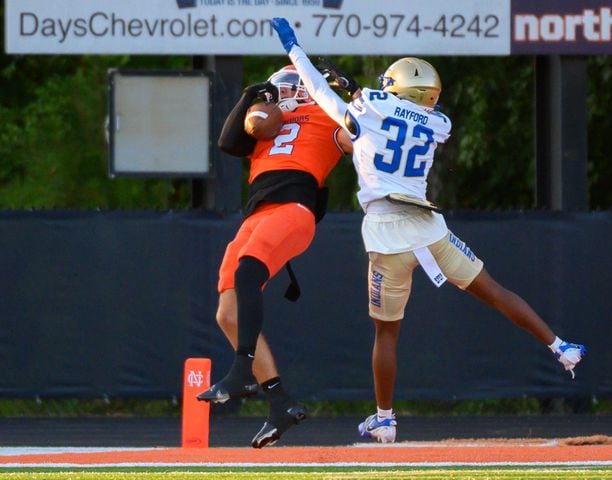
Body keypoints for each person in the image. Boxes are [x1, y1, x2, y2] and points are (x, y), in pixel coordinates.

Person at [270, 18, 587, 444]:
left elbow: (329, 96)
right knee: (494, 291)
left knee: (386, 333)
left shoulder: (371, 107)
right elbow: (388, 113)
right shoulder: (439, 125)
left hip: (386, 234)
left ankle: (385, 418)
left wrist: (294, 47)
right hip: (429, 231)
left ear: (394, 86)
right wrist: (358, 91)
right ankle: (560, 347)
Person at [196, 65, 352, 448]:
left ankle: (241, 371)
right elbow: (228, 143)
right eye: (275, 88)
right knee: (227, 312)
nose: (279, 93)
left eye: (286, 86)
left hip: (293, 208)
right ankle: (280, 402)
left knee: (248, 271)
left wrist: (357, 101)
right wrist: (250, 93)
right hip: (258, 214)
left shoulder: (327, 113)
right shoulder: (266, 124)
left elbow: (362, 140)